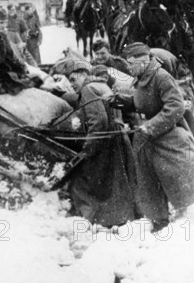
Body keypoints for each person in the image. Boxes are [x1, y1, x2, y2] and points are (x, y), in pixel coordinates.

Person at [114, 42, 194, 231]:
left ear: (143, 60)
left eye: (131, 63)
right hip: (146, 136)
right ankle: (159, 218)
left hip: (169, 133)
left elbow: (176, 107)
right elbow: (141, 103)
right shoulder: (140, 78)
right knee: (147, 178)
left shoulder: (161, 77)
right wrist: (121, 102)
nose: (129, 68)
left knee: (187, 167)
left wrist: (152, 126)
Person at [59, 61, 138, 227]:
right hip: (116, 138)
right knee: (117, 182)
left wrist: (88, 149)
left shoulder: (88, 89)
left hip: (105, 142)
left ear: (83, 75)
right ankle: (120, 217)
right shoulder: (101, 86)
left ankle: (93, 218)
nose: (72, 84)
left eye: (73, 79)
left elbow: (99, 121)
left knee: (81, 182)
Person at [147, 47, 194, 161]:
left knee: (186, 109)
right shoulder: (137, 65)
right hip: (167, 79)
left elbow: (170, 84)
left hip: (180, 78)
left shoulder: (159, 63)